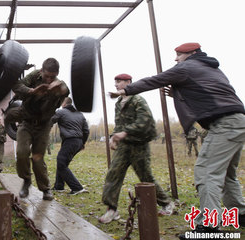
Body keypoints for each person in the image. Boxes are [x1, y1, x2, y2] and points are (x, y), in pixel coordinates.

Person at [109, 43, 245, 234]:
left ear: (192, 53)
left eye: (179, 54)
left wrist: (125, 91)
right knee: (227, 174)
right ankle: (240, 213)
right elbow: (208, 94)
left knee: (206, 172)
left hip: (225, 125)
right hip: (238, 121)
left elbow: (156, 79)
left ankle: (209, 226)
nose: (176, 59)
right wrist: (178, 94)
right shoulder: (212, 69)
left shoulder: (187, 67)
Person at [99, 73, 174, 224]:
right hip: (124, 145)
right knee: (113, 174)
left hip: (139, 145)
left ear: (128, 82)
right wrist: (114, 137)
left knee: (146, 177)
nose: (116, 85)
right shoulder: (119, 102)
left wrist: (125, 133)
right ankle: (112, 209)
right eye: (116, 82)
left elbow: (145, 121)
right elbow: (119, 124)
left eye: (119, 82)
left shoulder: (138, 100)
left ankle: (167, 203)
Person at [9, 58, 69, 201]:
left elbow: (66, 91)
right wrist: (32, 91)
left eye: (52, 77)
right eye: (46, 76)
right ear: (41, 71)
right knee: (22, 152)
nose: (48, 80)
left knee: (37, 158)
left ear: (57, 74)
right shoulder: (34, 76)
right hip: (26, 122)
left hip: (43, 126)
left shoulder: (58, 84)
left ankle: (45, 189)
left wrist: (59, 87)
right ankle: (26, 181)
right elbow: (16, 85)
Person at [51, 97, 89, 195]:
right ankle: (59, 186)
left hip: (70, 140)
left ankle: (77, 188)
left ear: (64, 103)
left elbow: (50, 120)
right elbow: (86, 130)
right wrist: (82, 143)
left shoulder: (61, 112)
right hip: (78, 141)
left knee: (61, 162)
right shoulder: (79, 113)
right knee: (63, 162)